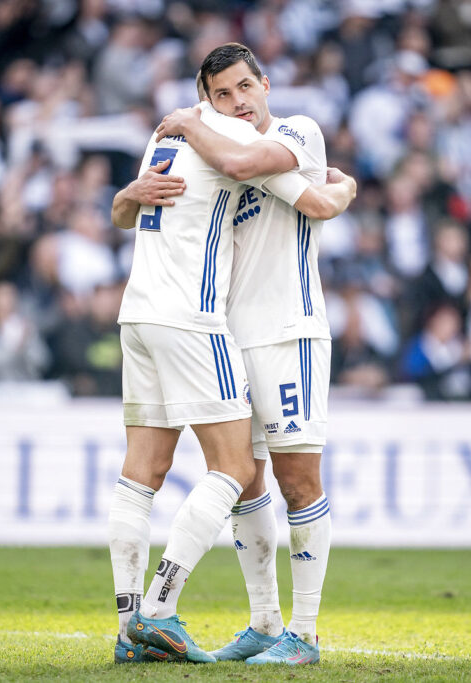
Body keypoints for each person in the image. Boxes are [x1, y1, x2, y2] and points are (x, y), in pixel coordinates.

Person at [106, 51, 356, 664]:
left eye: (247, 85)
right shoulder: (215, 148)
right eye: (224, 93)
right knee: (246, 482)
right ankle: (266, 622)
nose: (240, 99)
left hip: (290, 331)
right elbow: (140, 208)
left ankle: (306, 632)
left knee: (298, 481)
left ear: (266, 85)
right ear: (209, 99)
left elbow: (318, 203)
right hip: (226, 331)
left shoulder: (294, 132)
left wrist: (345, 186)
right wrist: (131, 191)